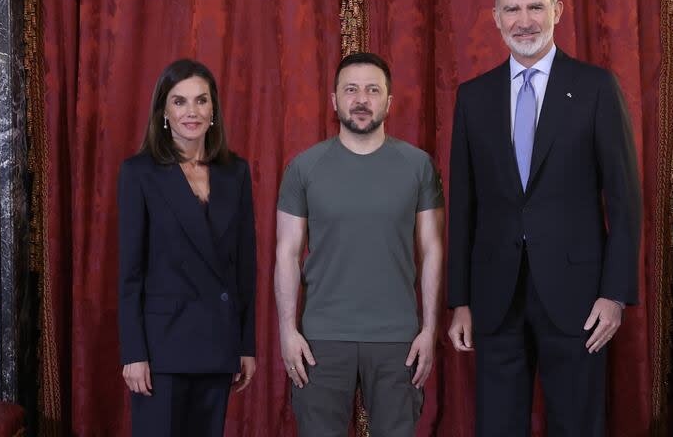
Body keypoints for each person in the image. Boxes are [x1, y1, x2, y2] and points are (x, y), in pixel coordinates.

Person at [447, 0, 641, 436]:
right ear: (495, 16)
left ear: (558, 9)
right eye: (512, 9)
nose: (524, 20)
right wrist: (461, 301)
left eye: (536, 6)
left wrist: (615, 294)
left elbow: (624, 200)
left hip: (579, 298)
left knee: (577, 424)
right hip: (495, 296)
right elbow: (463, 207)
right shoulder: (473, 97)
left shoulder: (596, 88)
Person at [275, 52, 444, 437]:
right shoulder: (304, 167)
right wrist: (288, 331)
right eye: (351, 90)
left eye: (373, 90)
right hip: (321, 341)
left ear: (389, 101)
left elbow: (433, 248)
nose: (362, 100)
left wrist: (428, 330)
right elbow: (286, 252)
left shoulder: (418, 166)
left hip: (398, 340)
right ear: (334, 100)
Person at [118, 59, 257, 436]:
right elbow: (130, 274)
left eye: (201, 101)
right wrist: (134, 353)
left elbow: (245, 268)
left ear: (214, 110)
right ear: (164, 110)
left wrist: (246, 345)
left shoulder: (236, 172)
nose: (191, 112)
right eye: (179, 101)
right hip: (162, 348)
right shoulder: (139, 173)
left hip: (217, 341)